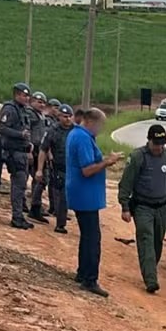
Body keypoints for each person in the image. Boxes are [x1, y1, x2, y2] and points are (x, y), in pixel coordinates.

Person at [117, 125, 166, 293]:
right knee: (146, 239)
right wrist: (125, 206)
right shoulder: (138, 157)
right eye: (156, 143)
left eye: (162, 144)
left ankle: (149, 268)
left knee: (157, 243)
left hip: (162, 207)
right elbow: (126, 184)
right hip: (142, 207)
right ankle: (151, 280)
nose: (159, 147)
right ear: (149, 141)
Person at [66, 107, 123, 298]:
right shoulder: (81, 138)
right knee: (92, 238)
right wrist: (108, 162)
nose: (101, 129)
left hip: (84, 194)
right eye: (100, 125)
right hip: (85, 195)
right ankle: (90, 279)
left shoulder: (79, 135)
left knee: (87, 236)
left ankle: (83, 273)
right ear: (90, 122)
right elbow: (87, 170)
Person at [0, 82, 35, 230]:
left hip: (23, 152)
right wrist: (20, 135)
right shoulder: (10, 109)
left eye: (28, 96)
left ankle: (19, 215)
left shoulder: (23, 110)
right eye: (24, 95)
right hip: (14, 153)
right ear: (17, 95)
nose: (26, 98)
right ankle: (17, 217)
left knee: (21, 186)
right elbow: (2, 128)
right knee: (18, 186)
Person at [36, 103, 74, 234]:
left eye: (70, 116)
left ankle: (61, 218)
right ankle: (60, 224)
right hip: (58, 169)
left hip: (73, 169)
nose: (68, 119)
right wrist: (39, 169)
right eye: (65, 116)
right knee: (61, 196)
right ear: (59, 117)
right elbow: (43, 150)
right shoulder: (53, 130)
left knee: (68, 197)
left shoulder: (76, 131)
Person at [27, 91, 52, 224]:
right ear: (32, 101)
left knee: (41, 179)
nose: (41, 104)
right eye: (39, 101)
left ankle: (36, 205)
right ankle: (34, 208)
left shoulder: (41, 115)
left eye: (43, 102)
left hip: (41, 150)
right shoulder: (30, 114)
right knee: (40, 178)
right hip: (34, 150)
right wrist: (28, 150)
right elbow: (27, 132)